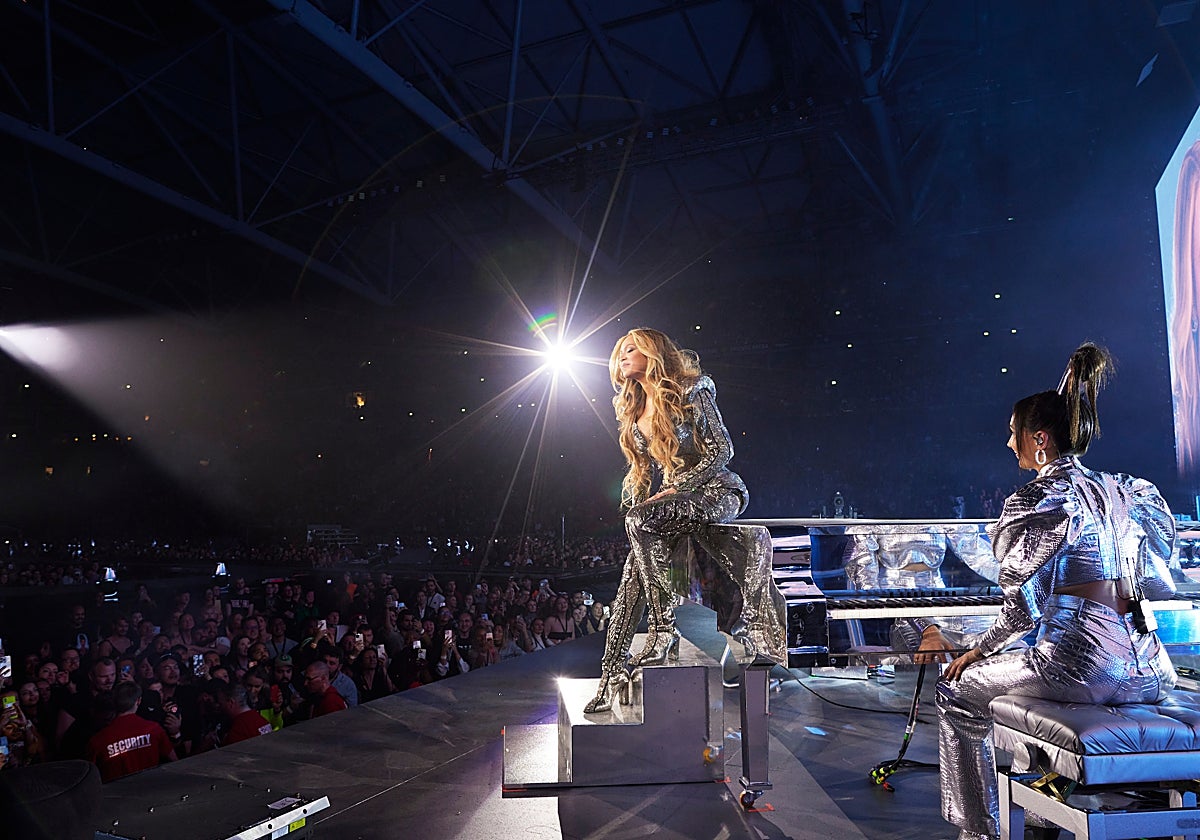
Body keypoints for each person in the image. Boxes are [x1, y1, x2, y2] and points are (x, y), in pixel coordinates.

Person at [918, 343, 1178, 840]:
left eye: (1012, 434)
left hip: (1083, 669)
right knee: (1017, 678)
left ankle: (980, 830)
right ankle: (1039, 804)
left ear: (1039, 440)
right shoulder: (1126, 489)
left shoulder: (1040, 499)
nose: (1008, 444)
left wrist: (976, 649)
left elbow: (1021, 610)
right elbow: (1160, 573)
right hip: (1150, 668)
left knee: (956, 690)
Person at [584, 328, 780, 714]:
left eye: (631, 349)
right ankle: (609, 676)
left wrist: (676, 490)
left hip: (716, 491)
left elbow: (723, 449)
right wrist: (645, 518)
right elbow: (641, 475)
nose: (621, 356)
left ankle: (662, 629)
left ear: (653, 352)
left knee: (640, 525)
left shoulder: (692, 390)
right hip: (675, 502)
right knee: (632, 574)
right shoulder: (634, 407)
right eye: (619, 352)